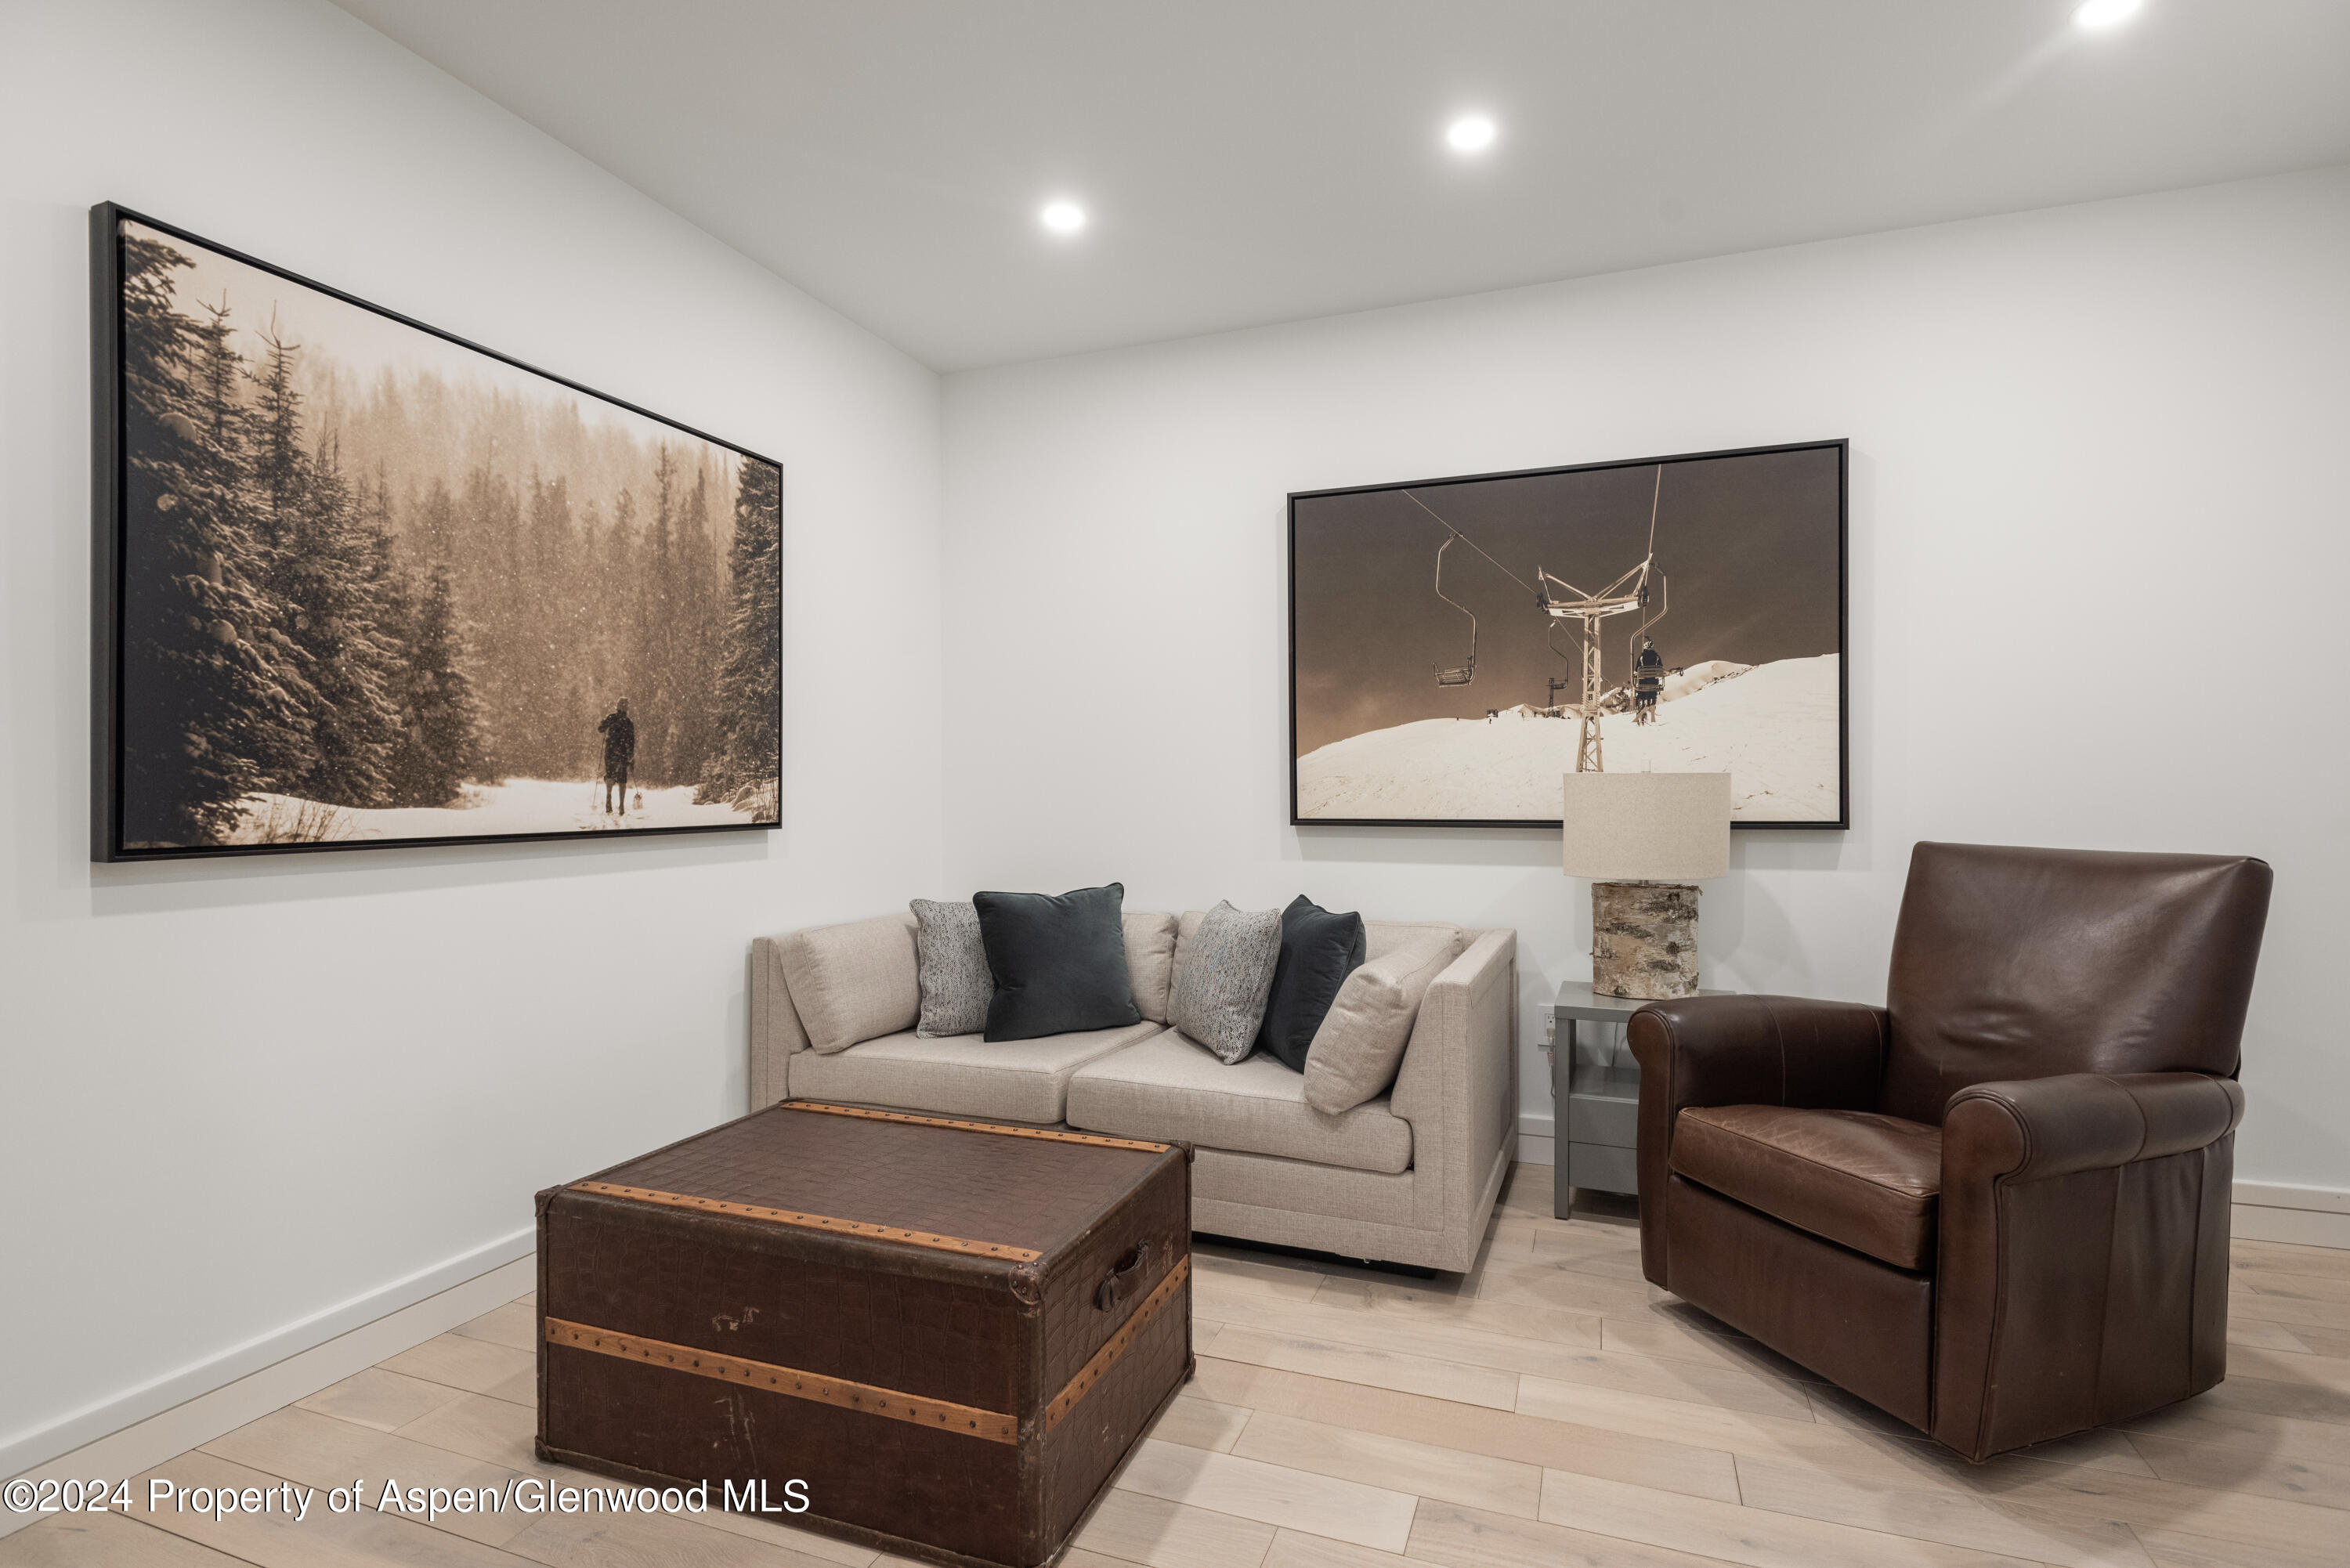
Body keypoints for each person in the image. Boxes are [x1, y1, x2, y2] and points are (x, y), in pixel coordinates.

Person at [598, 699, 636, 814]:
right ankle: (621, 806)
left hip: (611, 750)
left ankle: (609, 798)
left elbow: (600, 729)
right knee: (623, 778)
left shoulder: (611, 717)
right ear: (627, 709)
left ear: (617, 707)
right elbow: (632, 741)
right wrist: (631, 755)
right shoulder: (629, 722)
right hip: (623, 752)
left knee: (610, 774)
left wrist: (603, 722)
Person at [1632, 637, 1665, 725]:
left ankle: (1642, 705)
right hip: (1653, 683)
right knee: (1651, 692)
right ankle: (1651, 704)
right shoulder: (1657, 657)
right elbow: (1660, 668)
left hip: (1643, 683)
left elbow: (1636, 670)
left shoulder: (1641, 658)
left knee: (1641, 693)